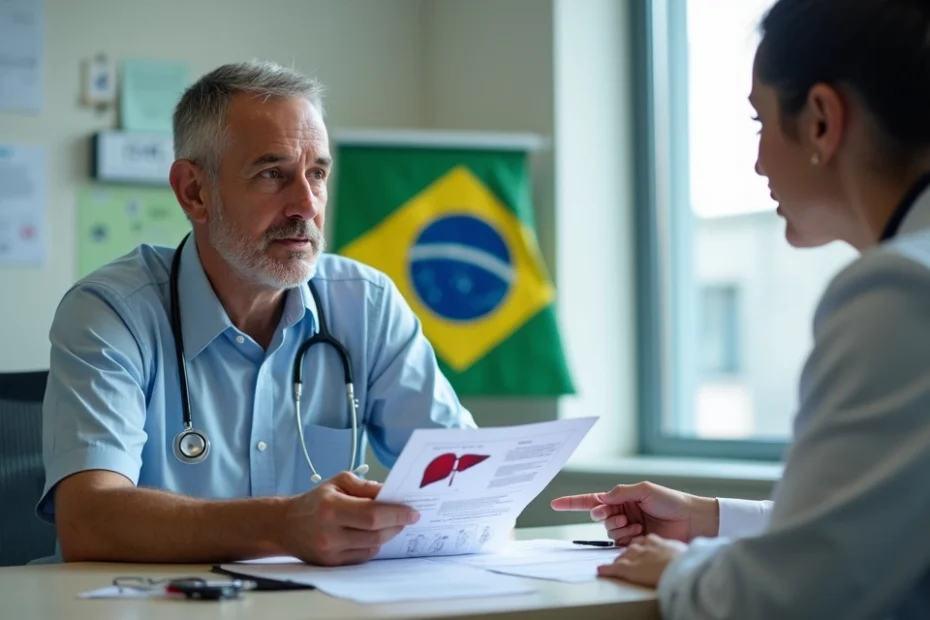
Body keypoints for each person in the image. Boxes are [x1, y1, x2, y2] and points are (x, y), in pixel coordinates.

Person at [552, 0, 930, 617]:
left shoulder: (899, 292)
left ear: (821, 121)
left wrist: (679, 570)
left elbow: (793, 596)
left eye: (760, 122)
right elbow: (877, 518)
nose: (757, 162)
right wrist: (710, 519)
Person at [36, 60, 476, 566]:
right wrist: (281, 524)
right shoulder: (112, 311)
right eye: (272, 174)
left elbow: (463, 477)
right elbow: (89, 520)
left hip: (321, 600)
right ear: (194, 192)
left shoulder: (365, 303)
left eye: (317, 174)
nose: (306, 205)